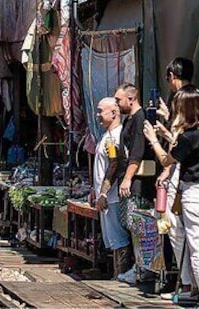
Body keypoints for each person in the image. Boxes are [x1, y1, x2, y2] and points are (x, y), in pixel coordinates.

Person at [145, 86, 199, 307]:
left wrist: (154, 140)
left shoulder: (188, 137)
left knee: (198, 248)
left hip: (196, 194)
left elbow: (166, 160)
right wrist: (169, 134)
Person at [154, 57, 196, 300]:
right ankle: (193, 286)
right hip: (185, 172)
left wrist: (159, 135)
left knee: (178, 230)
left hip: (182, 173)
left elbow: (179, 145)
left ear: (172, 75)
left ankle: (189, 286)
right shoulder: (193, 98)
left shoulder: (182, 99)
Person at [114, 82, 157, 283]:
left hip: (139, 183)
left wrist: (128, 178)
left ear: (131, 99)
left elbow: (137, 153)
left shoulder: (140, 119)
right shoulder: (129, 119)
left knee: (139, 225)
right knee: (131, 224)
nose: (116, 104)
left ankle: (143, 268)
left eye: (118, 100)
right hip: (130, 179)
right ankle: (139, 266)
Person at [90, 97, 131, 279]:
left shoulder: (115, 137)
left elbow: (114, 165)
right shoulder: (108, 135)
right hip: (107, 196)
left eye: (101, 111)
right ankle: (117, 275)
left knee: (118, 239)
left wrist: (104, 194)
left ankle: (120, 276)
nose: (97, 115)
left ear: (114, 113)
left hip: (112, 197)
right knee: (113, 240)